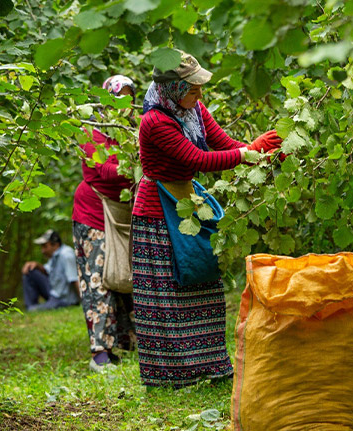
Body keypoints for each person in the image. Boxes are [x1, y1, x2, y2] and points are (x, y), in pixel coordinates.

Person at [131, 51, 282, 388]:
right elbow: (199, 158)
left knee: (202, 278)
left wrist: (259, 153)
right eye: (193, 88)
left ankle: (210, 365)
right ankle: (172, 375)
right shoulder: (154, 121)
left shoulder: (193, 110)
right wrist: (245, 154)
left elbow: (224, 144)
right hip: (158, 210)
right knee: (168, 292)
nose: (200, 94)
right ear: (172, 87)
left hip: (187, 202)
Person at [72, 75, 137, 371]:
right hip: (93, 214)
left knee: (124, 277)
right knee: (98, 280)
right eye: (117, 98)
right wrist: (137, 164)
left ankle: (125, 344)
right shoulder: (93, 132)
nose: (124, 104)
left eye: (129, 98)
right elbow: (107, 171)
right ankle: (99, 354)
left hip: (123, 216)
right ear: (106, 100)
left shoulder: (131, 131)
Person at [22, 229, 80, 311]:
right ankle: (30, 306)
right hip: (54, 292)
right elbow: (47, 270)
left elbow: (74, 279)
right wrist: (36, 265)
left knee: (33, 310)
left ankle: (32, 309)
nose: (42, 251)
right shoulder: (55, 255)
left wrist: (84, 303)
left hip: (64, 300)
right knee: (30, 271)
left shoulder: (66, 255)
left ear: (55, 245)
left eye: (45, 246)